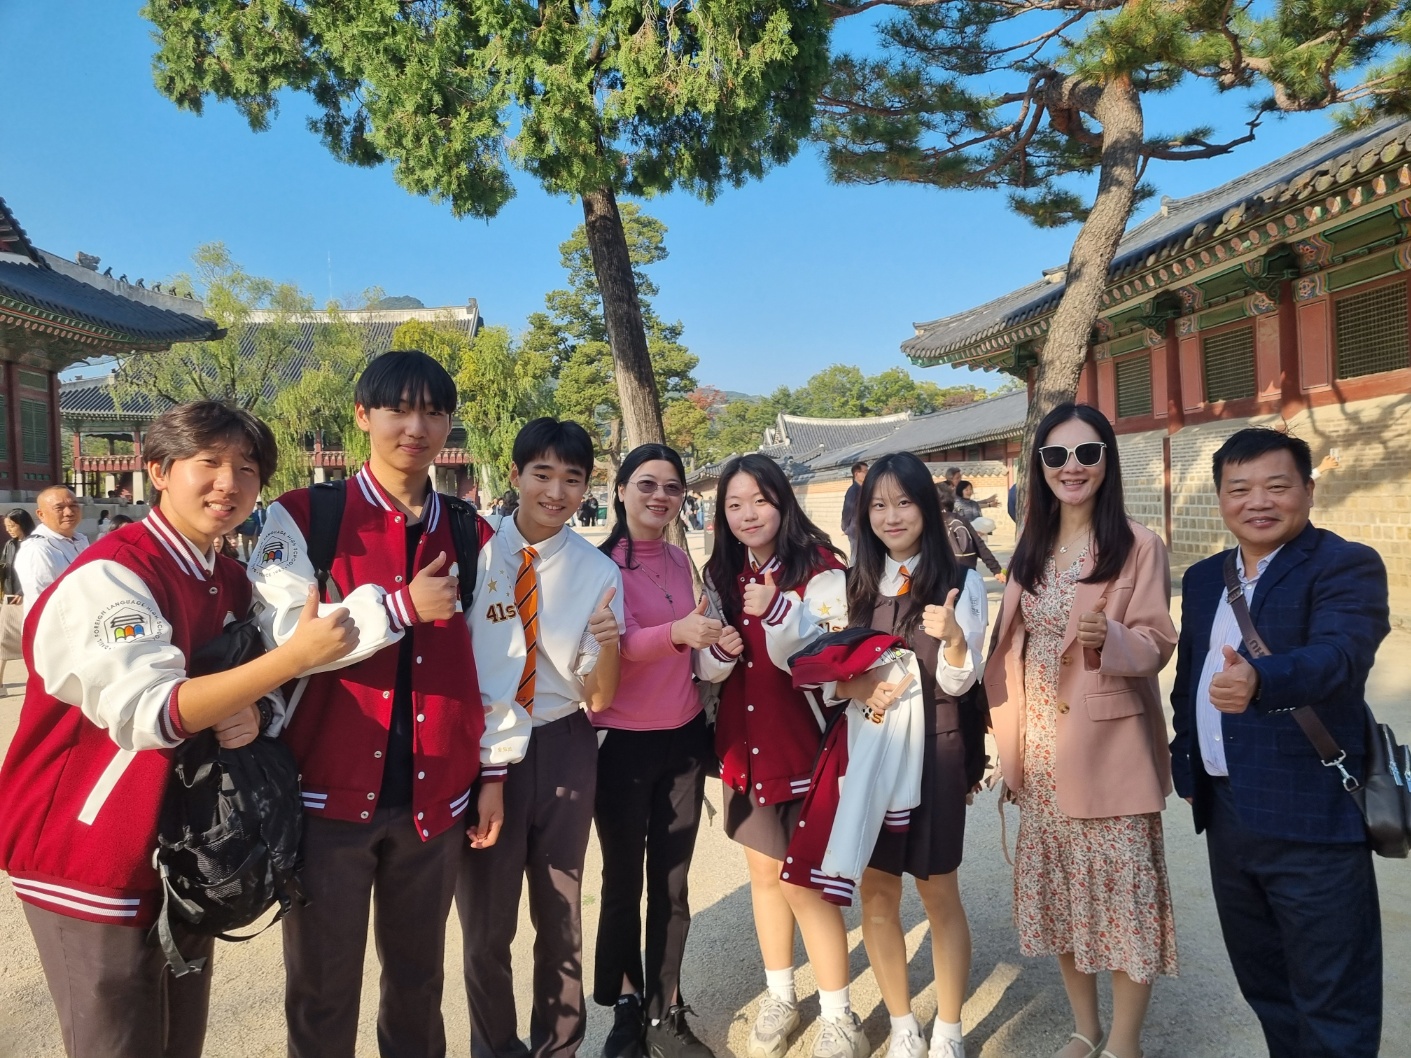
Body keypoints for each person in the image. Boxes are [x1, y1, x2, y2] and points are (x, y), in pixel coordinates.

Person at [0, 401, 357, 1058]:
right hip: (95, 845)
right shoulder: (113, 574)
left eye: (246, 469)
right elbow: (154, 709)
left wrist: (256, 707)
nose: (228, 483)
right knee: (117, 1040)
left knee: (176, 1038)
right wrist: (293, 659)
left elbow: (250, 685)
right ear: (159, 471)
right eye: (208, 463)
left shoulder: (225, 577)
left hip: (186, 846)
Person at [249, 349, 507, 1058]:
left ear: (449, 424)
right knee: (322, 986)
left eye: (433, 412)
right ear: (362, 416)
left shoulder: (471, 531)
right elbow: (286, 637)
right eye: (398, 409)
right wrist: (399, 607)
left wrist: (493, 770)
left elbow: (497, 662)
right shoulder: (306, 517)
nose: (415, 428)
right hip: (324, 798)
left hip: (434, 798)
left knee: (419, 982)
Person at [1169, 428, 1388, 1058]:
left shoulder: (1343, 564)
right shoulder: (1206, 578)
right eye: (1239, 489)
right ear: (1221, 498)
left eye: (1276, 486)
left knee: (1333, 1000)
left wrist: (1264, 679)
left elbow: (1341, 655)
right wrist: (1188, 766)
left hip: (1311, 813)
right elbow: (1188, 679)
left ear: (1308, 491)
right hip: (1228, 813)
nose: (1258, 502)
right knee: (1266, 985)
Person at [985, 403, 1178, 1058]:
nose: (1072, 467)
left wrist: (1112, 636)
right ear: (1039, 466)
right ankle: (1083, 1028)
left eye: (1087, 453)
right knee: (1064, 899)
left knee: (1124, 901)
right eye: (1056, 455)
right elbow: (1011, 648)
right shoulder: (1030, 547)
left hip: (1107, 748)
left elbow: (1157, 642)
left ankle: (1123, 1042)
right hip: (1041, 750)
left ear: (1106, 462)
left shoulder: (1137, 544)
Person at [460, 417, 625, 1058]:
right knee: (486, 921)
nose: (556, 492)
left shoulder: (596, 570)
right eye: (543, 474)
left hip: (561, 740)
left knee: (560, 912)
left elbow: (600, 696)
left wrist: (609, 646)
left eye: (572, 479)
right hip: (483, 747)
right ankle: (495, 1047)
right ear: (516, 475)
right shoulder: (475, 553)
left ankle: (559, 1046)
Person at [832, 453, 989, 1058]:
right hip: (872, 750)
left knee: (938, 890)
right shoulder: (855, 584)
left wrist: (954, 639)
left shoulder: (961, 583)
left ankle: (948, 1028)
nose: (891, 516)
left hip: (935, 749)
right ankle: (902, 1023)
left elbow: (959, 683)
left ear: (926, 505)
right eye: (878, 504)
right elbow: (832, 677)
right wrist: (854, 686)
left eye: (903, 502)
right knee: (877, 893)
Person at [695, 454, 851, 1058]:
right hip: (746, 748)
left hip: (803, 748)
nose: (748, 515)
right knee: (763, 876)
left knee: (805, 885)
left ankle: (839, 1014)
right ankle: (781, 994)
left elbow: (833, 666)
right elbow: (706, 667)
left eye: (759, 500)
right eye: (734, 504)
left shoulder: (821, 568)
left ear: (783, 501)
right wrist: (719, 652)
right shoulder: (722, 572)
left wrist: (780, 610)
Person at [593, 444, 725, 1058]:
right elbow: (606, 647)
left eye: (672, 487)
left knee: (671, 883)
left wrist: (716, 640)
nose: (660, 497)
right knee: (621, 880)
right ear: (620, 489)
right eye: (646, 484)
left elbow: (696, 640)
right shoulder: (599, 567)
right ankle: (625, 1007)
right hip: (620, 742)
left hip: (683, 736)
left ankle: (664, 1007)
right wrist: (675, 633)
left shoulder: (680, 559)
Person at [15, 486, 90, 618]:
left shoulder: (81, 540)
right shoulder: (37, 549)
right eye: (59, 508)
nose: (69, 512)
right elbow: (43, 602)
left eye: (73, 505)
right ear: (41, 514)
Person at [936, 483, 1003, 582]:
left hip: (942, 576)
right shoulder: (960, 519)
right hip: (967, 572)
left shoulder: (930, 522)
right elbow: (979, 545)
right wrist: (996, 570)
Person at [1, 508, 35, 597]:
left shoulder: (36, 545)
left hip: (28, 595)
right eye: (6, 526)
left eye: (11, 526)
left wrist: (22, 592)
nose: (8, 530)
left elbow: (38, 574)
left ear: (23, 525)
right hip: (10, 595)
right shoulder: (10, 544)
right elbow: (4, 567)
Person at [840, 461, 867, 563]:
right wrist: (845, 527)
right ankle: (852, 572)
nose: (867, 474)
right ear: (857, 474)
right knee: (855, 556)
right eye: (865, 471)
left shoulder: (863, 489)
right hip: (855, 529)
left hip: (863, 528)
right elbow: (847, 510)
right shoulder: (853, 490)